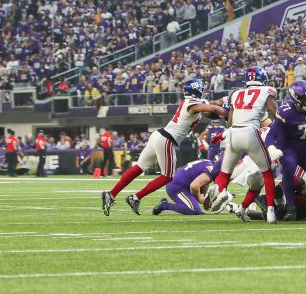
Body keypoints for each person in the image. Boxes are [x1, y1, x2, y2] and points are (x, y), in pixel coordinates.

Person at [102, 78, 226, 216]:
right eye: (201, 89)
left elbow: (215, 104)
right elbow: (213, 108)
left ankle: (111, 194)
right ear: (196, 90)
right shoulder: (192, 105)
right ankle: (136, 198)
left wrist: (228, 99)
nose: (203, 92)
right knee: (167, 177)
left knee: (139, 168)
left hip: (159, 135)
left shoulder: (191, 102)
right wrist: (228, 114)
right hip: (167, 139)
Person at [208, 67, 281, 222]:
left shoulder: (235, 94)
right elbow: (277, 114)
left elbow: (230, 123)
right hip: (250, 133)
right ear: (263, 79)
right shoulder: (266, 91)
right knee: (267, 173)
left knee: (224, 174)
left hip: (233, 133)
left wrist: (224, 134)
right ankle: (270, 211)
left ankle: (220, 192)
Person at [264, 79, 306, 220]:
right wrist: (270, 147)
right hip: (289, 148)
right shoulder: (286, 111)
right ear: (295, 99)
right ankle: (290, 207)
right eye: (303, 99)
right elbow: (271, 134)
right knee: (289, 166)